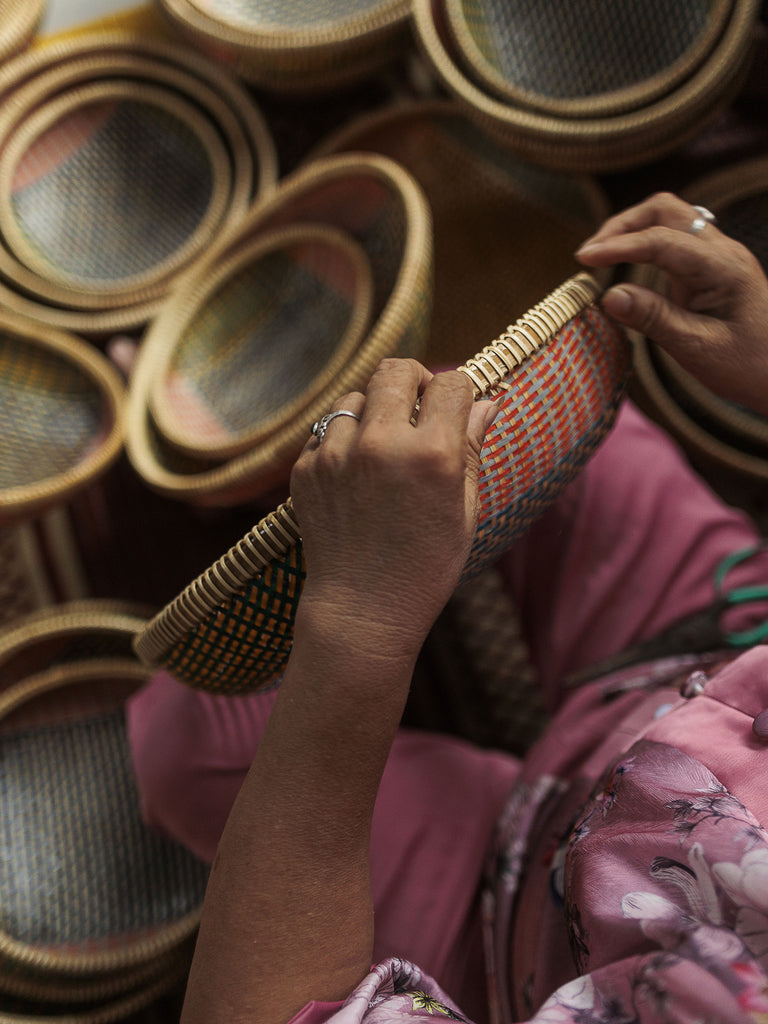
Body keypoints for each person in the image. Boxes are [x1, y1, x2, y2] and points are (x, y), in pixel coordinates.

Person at [128, 192, 768, 1024]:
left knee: (186, 736)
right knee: (455, 398)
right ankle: (290, 465)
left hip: (520, 932)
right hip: (706, 657)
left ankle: (288, 496)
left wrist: (360, 625)